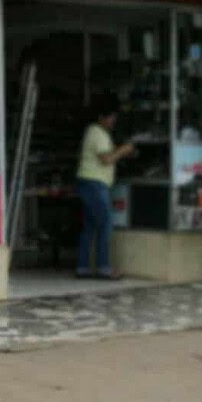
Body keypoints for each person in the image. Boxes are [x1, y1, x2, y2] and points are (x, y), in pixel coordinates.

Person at [75, 98, 135, 280]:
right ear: (101, 117)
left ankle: (83, 267)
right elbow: (106, 159)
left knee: (90, 227)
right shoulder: (97, 132)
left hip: (89, 183)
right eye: (110, 117)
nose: (113, 121)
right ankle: (103, 267)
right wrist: (124, 150)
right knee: (105, 224)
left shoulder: (96, 132)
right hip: (94, 184)